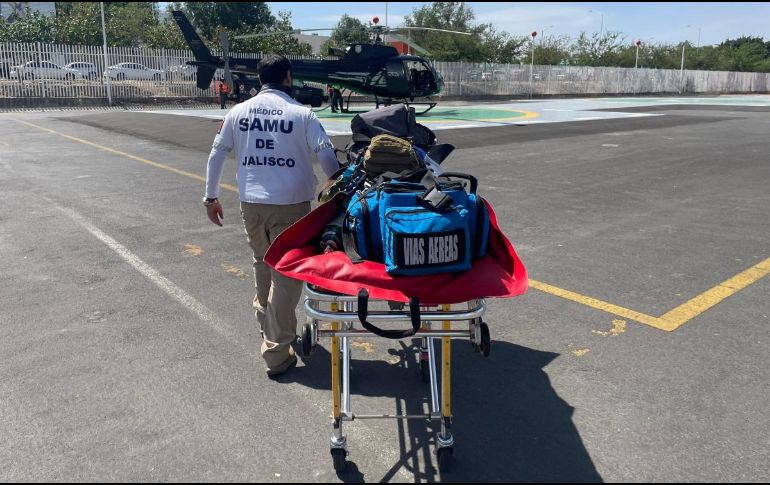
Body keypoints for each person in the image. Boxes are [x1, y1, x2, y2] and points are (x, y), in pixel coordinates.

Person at [203, 55, 340, 377]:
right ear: (289, 77)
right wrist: (338, 193)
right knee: (288, 274)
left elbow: (216, 154)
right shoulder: (302, 114)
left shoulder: (238, 112)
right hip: (291, 205)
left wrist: (210, 197)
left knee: (262, 261)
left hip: (251, 204)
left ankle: (266, 324)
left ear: (260, 78)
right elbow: (327, 156)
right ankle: (277, 351)